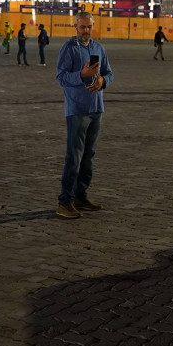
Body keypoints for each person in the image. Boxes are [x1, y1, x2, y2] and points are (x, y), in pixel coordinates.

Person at [54, 12, 113, 219]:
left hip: (96, 108)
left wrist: (102, 81)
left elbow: (109, 73)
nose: (86, 31)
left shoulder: (98, 48)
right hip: (77, 110)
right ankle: (65, 202)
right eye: (82, 27)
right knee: (74, 157)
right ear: (75, 27)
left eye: (89, 27)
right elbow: (61, 77)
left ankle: (81, 196)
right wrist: (82, 75)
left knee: (88, 158)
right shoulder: (68, 49)